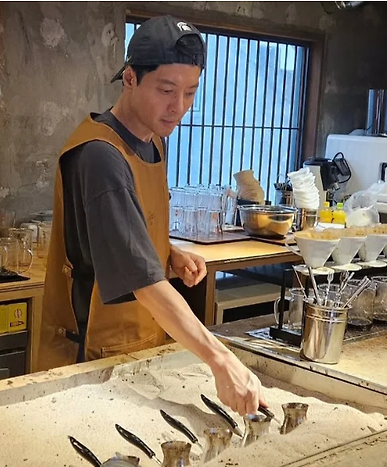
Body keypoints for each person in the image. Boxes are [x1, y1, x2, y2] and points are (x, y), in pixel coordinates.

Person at [39, 15, 267, 416]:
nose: (178, 107)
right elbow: (142, 281)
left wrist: (166, 252)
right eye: (166, 90)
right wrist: (221, 360)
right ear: (130, 78)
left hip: (139, 344)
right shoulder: (100, 155)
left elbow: (126, 231)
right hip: (92, 356)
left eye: (190, 92)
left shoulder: (153, 142)